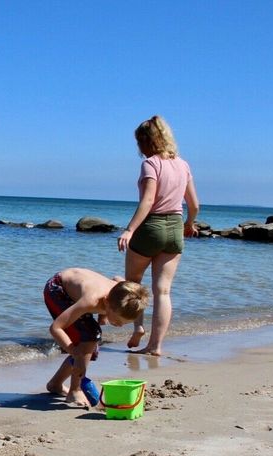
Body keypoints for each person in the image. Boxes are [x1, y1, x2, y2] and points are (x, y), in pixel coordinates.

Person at [117, 115, 200, 356]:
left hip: (151, 226)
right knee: (163, 291)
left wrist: (129, 230)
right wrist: (189, 223)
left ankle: (139, 327)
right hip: (175, 228)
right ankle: (155, 346)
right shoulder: (183, 165)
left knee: (133, 285)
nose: (138, 149)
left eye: (138, 142)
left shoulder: (151, 164)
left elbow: (148, 200)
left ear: (146, 141)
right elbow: (194, 204)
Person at [44, 268, 149, 407]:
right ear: (106, 303)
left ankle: (55, 384)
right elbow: (56, 328)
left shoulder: (124, 292)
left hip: (80, 287)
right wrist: (75, 353)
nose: (120, 325)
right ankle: (75, 390)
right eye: (118, 321)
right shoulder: (91, 300)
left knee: (90, 348)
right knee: (89, 337)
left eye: (125, 323)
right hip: (57, 289)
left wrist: (103, 315)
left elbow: (117, 278)